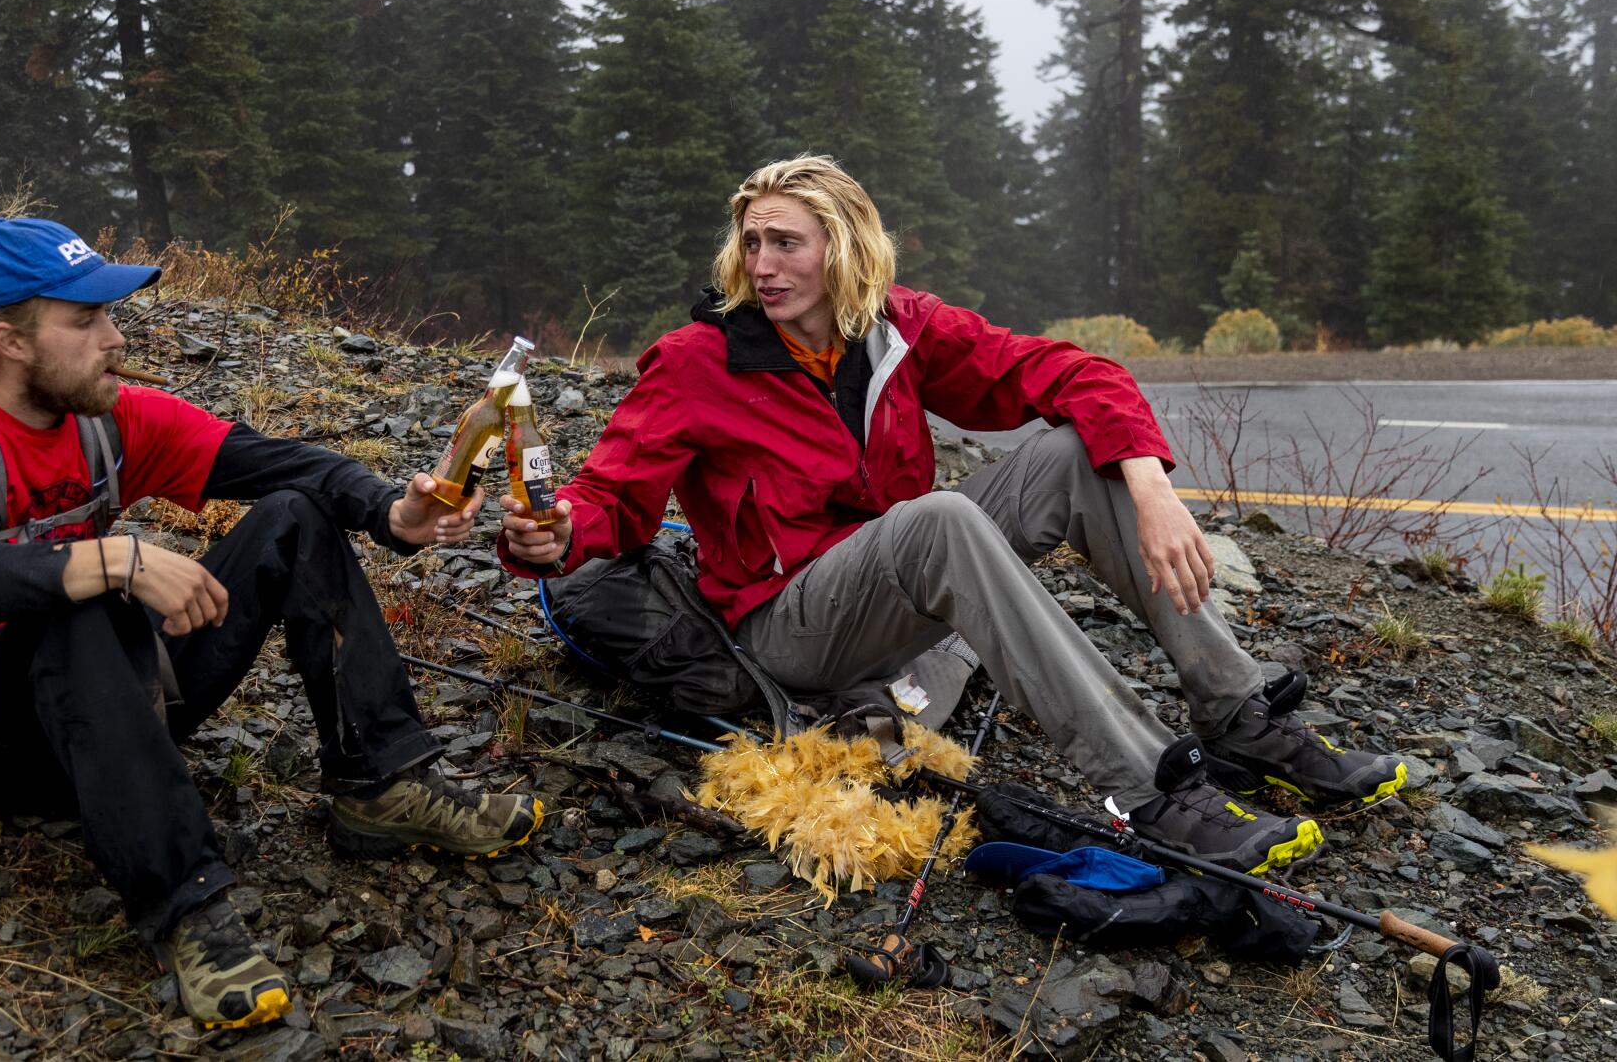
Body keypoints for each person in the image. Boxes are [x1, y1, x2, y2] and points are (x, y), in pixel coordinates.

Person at [500, 156, 1402, 876]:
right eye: (751, 244)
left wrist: (1151, 482)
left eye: (786, 244)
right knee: (940, 517)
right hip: (786, 629)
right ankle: (1151, 788)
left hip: (907, 614)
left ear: (845, 248)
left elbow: (1075, 374)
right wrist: (560, 529)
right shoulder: (700, 360)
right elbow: (614, 497)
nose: (761, 266)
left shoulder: (899, 328)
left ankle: (1236, 708)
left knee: (1076, 450)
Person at [0, 217, 543, 1032]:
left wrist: (392, 512)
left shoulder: (109, 421)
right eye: (84, 321)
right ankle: (188, 908)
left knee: (294, 515)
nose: (114, 337)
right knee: (71, 605)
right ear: (9, 340)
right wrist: (111, 560)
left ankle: (381, 782)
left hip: (122, 710)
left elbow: (286, 465)